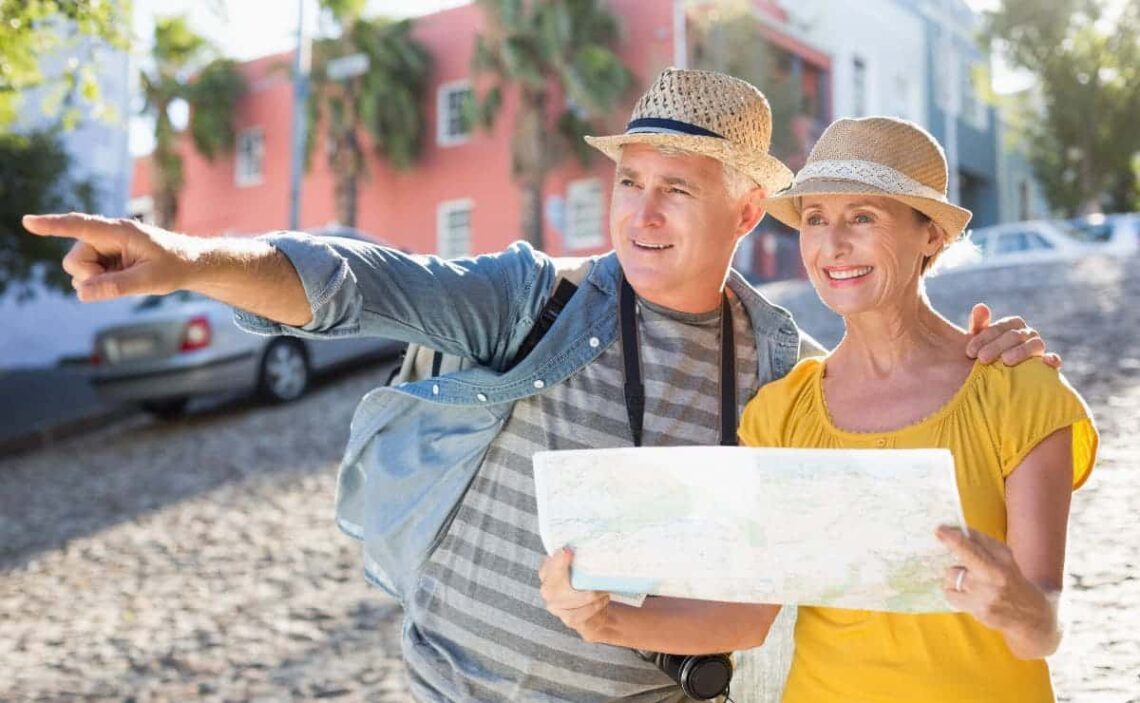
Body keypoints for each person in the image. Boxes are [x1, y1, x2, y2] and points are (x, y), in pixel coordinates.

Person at [24, 71, 1054, 703]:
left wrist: (992, 352)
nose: (642, 215)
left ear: (745, 214)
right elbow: (357, 280)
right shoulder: (535, 299)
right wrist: (188, 257)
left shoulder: (782, 364)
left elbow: (777, 583)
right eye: (629, 183)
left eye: (678, 190)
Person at [539, 117, 1097, 702]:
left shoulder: (1018, 390)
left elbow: (1043, 630)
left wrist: (1016, 606)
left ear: (930, 234)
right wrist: (601, 620)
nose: (833, 245)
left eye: (863, 217)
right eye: (815, 219)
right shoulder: (781, 413)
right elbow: (746, 618)